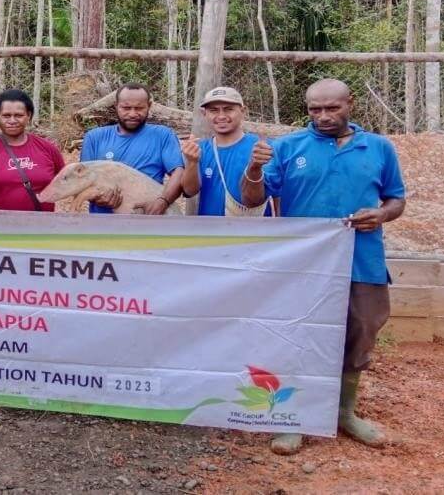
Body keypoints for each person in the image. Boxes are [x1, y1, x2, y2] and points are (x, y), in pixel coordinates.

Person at [241, 78, 406, 456]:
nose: (324, 116)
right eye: (315, 109)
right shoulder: (289, 146)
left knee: (362, 327)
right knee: (298, 335)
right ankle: (294, 416)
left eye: (332, 108)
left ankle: (344, 412)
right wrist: (253, 168)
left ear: (351, 102)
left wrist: (380, 214)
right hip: (303, 263)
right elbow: (254, 197)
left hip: (361, 259)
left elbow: (396, 200)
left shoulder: (378, 147)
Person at [80, 83, 185, 214]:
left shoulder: (163, 135)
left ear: (149, 106)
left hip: (147, 219)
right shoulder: (94, 137)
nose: (132, 113)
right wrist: (99, 197)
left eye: (139, 108)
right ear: (116, 106)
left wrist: (163, 201)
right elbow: (83, 179)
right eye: (126, 108)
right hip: (103, 223)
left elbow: (178, 172)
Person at [179, 86, 271, 216]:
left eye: (228, 109)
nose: (221, 116)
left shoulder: (261, 148)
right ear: (204, 114)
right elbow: (190, 191)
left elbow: (277, 194)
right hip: (212, 230)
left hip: (253, 229)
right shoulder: (199, 149)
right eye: (214, 110)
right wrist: (192, 162)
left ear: (243, 111)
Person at [0, 89, 65, 211]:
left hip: (40, 224)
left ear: (29, 116)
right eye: (6, 116)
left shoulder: (47, 148)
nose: (12, 121)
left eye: (19, 115)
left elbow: (64, 180)